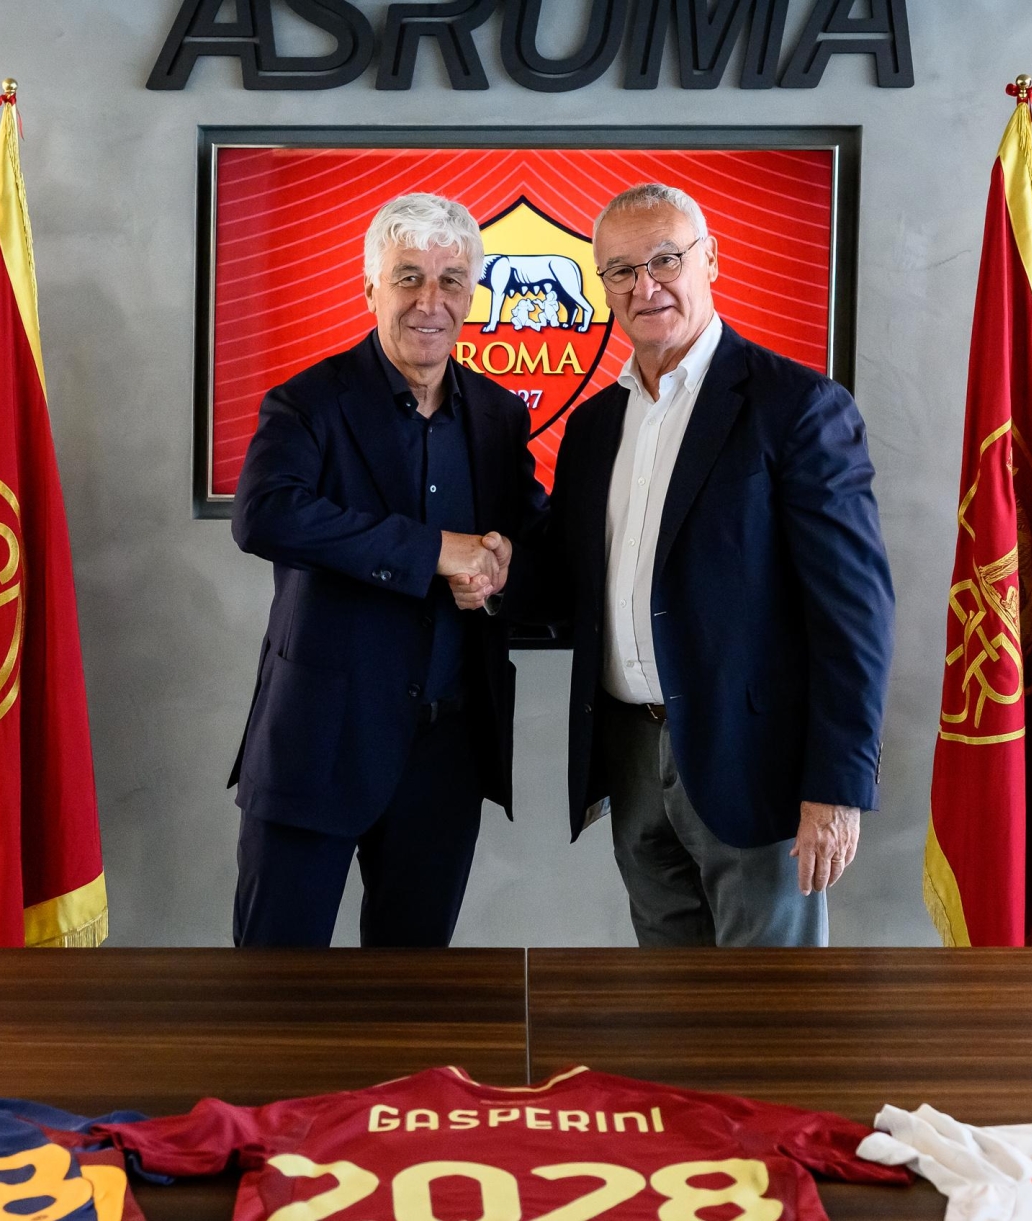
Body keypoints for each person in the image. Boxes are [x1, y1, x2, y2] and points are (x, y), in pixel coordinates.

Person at [501, 182, 894, 947]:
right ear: (602, 284)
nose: (645, 286)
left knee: (768, 1019)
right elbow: (572, 583)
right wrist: (491, 572)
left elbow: (855, 614)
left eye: (665, 259)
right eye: (620, 270)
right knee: (668, 1014)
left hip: (757, 767)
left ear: (710, 258)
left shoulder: (797, 406)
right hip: (630, 756)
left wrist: (836, 787)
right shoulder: (593, 428)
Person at [226, 193, 549, 948]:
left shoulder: (500, 415)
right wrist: (438, 551)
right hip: (316, 745)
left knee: (413, 1007)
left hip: (444, 758)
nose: (429, 302)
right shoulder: (306, 403)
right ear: (369, 286)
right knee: (272, 1000)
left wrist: (502, 570)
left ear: (473, 295)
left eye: (451, 281)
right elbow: (265, 515)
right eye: (408, 277)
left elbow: (527, 539)